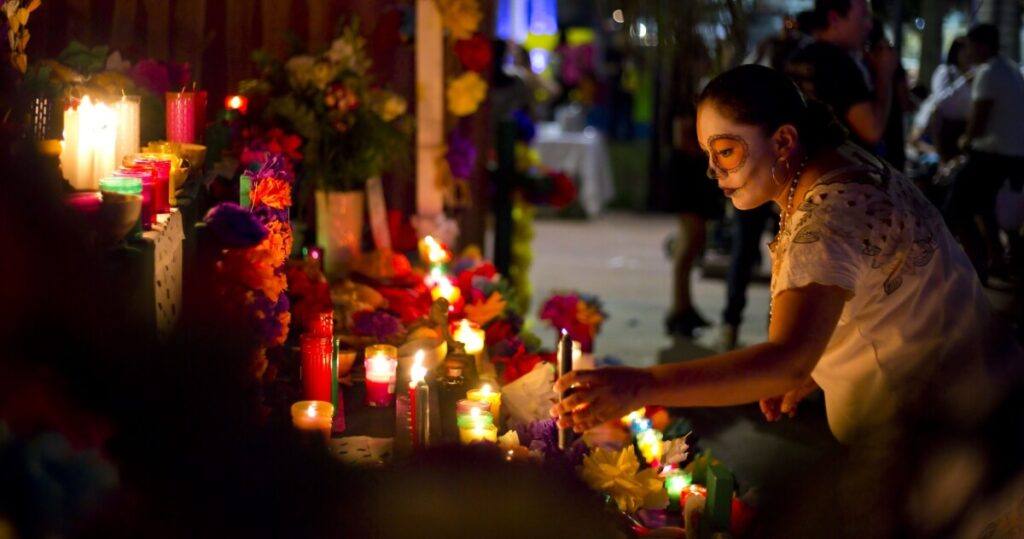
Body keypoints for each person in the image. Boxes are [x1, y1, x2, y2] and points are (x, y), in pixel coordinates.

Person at [552, 65, 1019, 447]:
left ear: (782, 141)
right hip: (977, 410)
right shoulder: (846, 165)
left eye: (727, 151)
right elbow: (891, 295)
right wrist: (823, 364)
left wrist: (640, 385)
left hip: (940, 441)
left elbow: (786, 360)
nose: (714, 171)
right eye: (708, 155)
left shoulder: (827, 220)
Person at [951, 23, 1024, 284]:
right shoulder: (1012, 69)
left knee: (957, 207)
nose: (967, 52)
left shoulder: (988, 73)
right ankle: (1000, 262)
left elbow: (979, 121)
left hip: (992, 156)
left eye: (969, 45)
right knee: (990, 210)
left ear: (981, 46)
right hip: (1014, 156)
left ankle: (976, 269)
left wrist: (963, 140)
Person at [786, 0, 897, 154]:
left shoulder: (797, 56)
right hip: (841, 169)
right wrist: (884, 74)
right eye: (863, 16)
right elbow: (872, 130)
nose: (869, 25)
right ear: (834, 19)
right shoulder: (838, 63)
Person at [663, 104, 724, 337]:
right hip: (687, 184)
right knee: (688, 247)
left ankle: (684, 306)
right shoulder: (686, 114)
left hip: (691, 181)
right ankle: (680, 309)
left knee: (691, 246)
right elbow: (684, 144)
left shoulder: (693, 110)